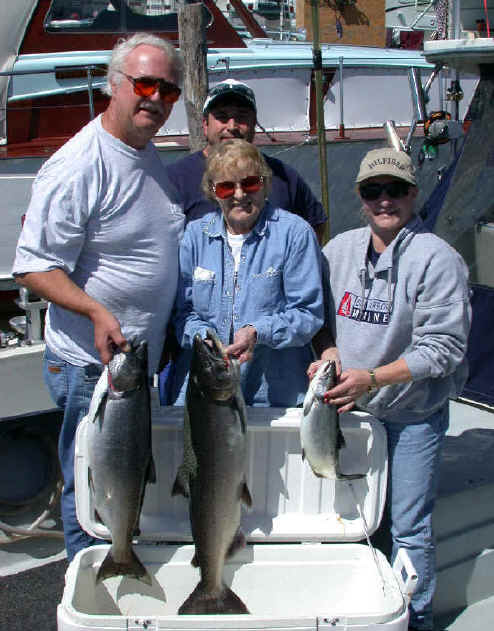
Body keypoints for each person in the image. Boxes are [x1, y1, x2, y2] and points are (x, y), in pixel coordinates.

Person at [12, 33, 185, 561]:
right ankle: (88, 581)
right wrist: (94, 310)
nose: (156, 99)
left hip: (137, 364)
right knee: (89, 485)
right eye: (145, 84)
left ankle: (119, 564)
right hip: (93, 367)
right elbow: (34, 266)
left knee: (127, 479)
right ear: (115, 84)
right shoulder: (80, 164)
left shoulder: (145, 152)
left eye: (169, 91)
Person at [310, 148, 471, 631]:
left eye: (396, 189)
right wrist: (327, 350)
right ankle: (366, 614)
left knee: (409, 528)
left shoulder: (438, 260)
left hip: (411, 417)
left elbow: (444, 349)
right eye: (373, 190)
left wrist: (373, 377)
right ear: (359, 197)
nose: (385, 200)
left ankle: (416, 620)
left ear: (414, 194)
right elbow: (315, 315)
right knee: (351, 523)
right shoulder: (338, 250)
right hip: (349, 415)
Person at [171, 138, 324, 407]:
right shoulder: (194, 236)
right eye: (227, 187)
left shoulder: (295, 233)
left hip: (275, 399)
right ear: (213, 192)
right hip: (207, 391)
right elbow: (182, 313)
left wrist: (258, 332)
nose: (240, 195)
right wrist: (203, 337)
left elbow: (308, 314)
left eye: (250, 183)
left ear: (265, 185)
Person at [165, 78, 327, 244]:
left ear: (254, 123)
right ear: (205, 125)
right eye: (222, 117)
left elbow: (316, 224)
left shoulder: (284, 176)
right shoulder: (174, 179)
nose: (232, 126)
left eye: (241, 117)